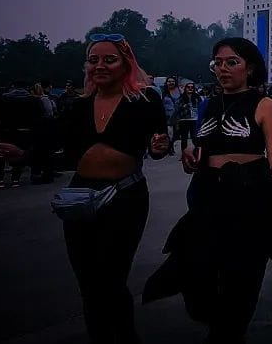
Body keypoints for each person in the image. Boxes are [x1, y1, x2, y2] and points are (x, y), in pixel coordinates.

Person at [145, 38, 272, 343]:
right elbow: (205, 147)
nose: (223, 68)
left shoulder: (263, 104)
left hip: (249, 195)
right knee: (195, 270)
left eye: (232, 62)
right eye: (218, 62)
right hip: (208, 196)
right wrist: (191, 157)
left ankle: (228, 332)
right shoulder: (210, 103)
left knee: (242, 273)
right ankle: (222, 324)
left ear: (250, 67)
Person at [55, 34, 171, 343]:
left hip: (124, 196)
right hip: (79, 196)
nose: (100, 66)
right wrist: (20, 153)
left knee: (111, 277)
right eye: (93, 60)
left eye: (109, 59)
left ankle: (125, 337)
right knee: (88, 281)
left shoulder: (145, 99)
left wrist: (160, 145)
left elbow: (158, 145)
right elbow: (57, 147)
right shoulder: (78, 105)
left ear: (125, 64)